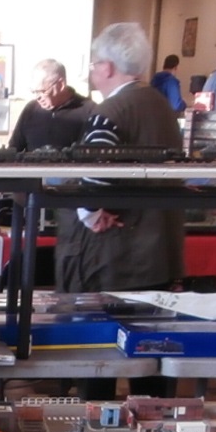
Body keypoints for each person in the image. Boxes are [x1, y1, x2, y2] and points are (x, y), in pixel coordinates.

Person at [55, 22, 185, 295]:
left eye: (94, 65)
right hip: (161, 253)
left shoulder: (110, 111)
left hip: (118, 256)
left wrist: (90, 213)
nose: (92, 73)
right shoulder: (161, 105)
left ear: (108, 67)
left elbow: (96, 173)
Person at [7, 59, 92, 152]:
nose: (37, 97)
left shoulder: (89, 111)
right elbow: (13, 149)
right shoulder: (31, 109)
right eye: (34, 91)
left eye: (42, 91)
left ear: (61, 85)